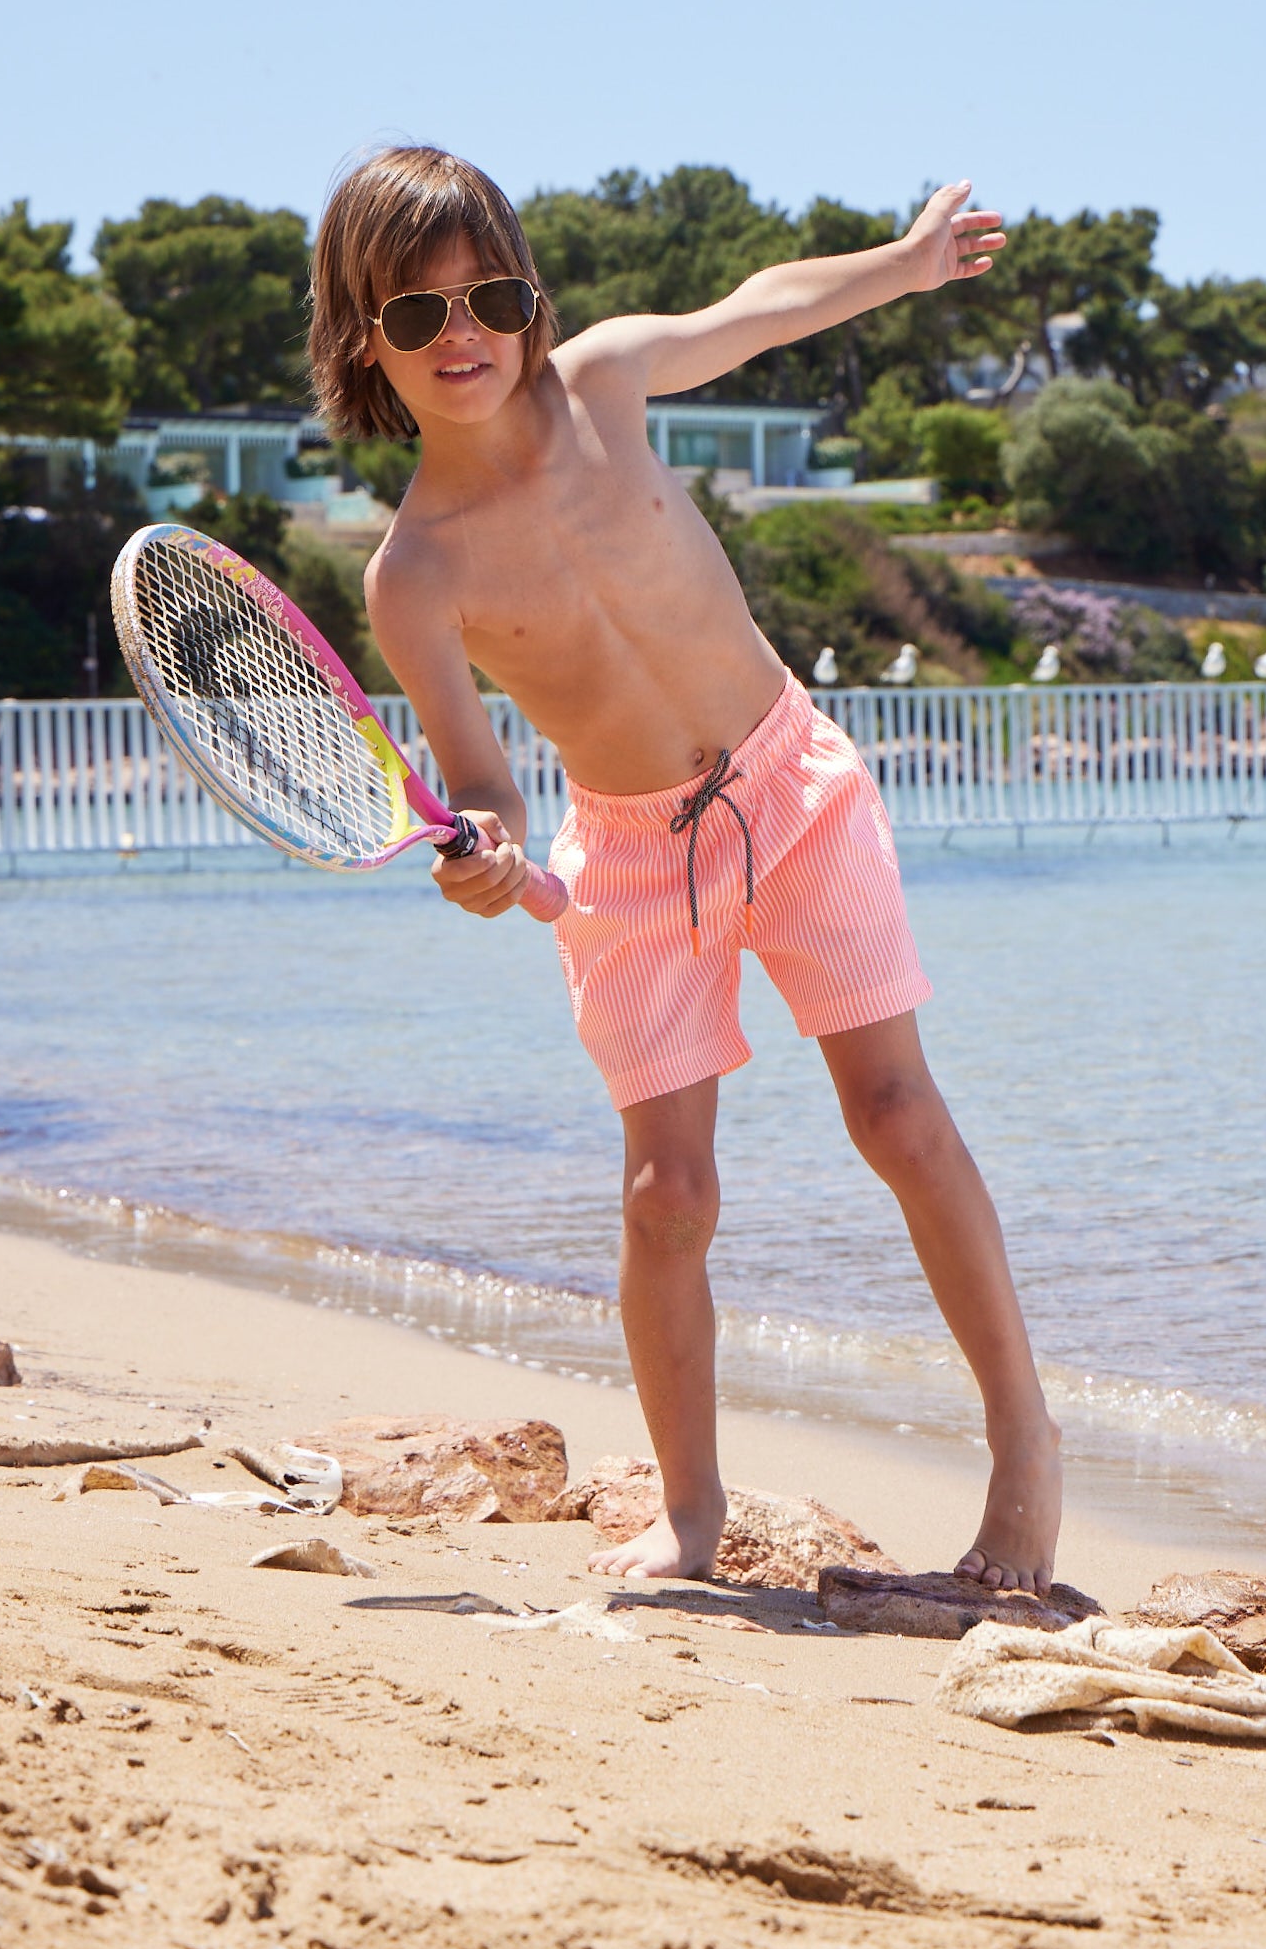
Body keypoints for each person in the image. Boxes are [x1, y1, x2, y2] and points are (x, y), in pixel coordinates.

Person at [309, 145, 1062, 1593]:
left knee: (899, 1114)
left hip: (792, 784)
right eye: (418, 314)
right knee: (668, 1194)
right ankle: (690, 1514)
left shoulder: (602, 383)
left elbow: (758, 305)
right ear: (365, 341)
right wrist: (486, 856)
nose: (462, 334)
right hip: (630, 863)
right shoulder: (413, 573)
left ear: (534, 303)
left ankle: (1024, 1444)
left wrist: (901, 268)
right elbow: (478, 780)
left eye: (492, 297)